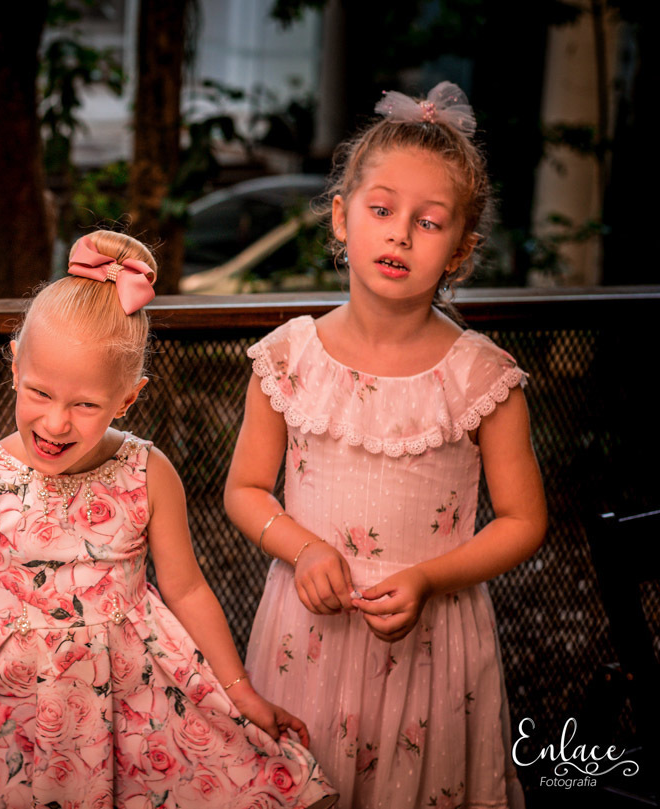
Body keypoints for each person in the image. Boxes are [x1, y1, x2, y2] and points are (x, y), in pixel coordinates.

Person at [0, 231, 338, 808]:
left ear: (127, 399)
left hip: (133, 709)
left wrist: (240, 692)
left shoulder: (149, 473)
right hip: (8, 713)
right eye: (39, 392)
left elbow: (188, 588)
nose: (55, 422)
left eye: (85, 405)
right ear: (14, 362)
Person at [224, 83, 548, 809]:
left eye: (429, 223)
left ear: (460, 249)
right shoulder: (286, 359)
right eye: (381, 211)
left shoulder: (483, 378)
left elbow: (525, 519)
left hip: (431, 649)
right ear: (342, 218)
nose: (400, 234)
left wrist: (432, 578)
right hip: (305, 637)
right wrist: (302, 546)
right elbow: (244, 489)